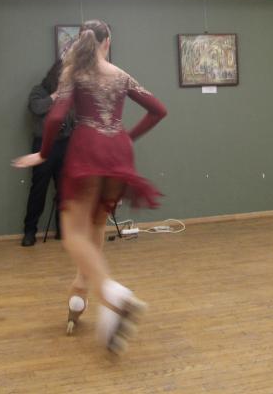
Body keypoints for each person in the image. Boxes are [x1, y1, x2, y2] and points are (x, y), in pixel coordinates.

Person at [12, 20, 167, 353]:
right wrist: (127, 137)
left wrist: (43, 153)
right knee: (96, 225)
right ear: (107, 41)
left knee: (72, 233)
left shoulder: (75, 73)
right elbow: (158, 110)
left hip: (87, 149)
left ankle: (112, 294)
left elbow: (55, 118)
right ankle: (81, 291)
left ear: (80, 41)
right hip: (118, 152)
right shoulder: (121, 75)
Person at [22, 60, 72, 247]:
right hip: (43, 145)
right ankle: (29, 232)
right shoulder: (39, 91)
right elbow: (36, 108)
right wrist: (56, 96)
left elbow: (75, 118)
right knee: (38, 190)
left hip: (64, 145)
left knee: (64, 190)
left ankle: (63, 230)